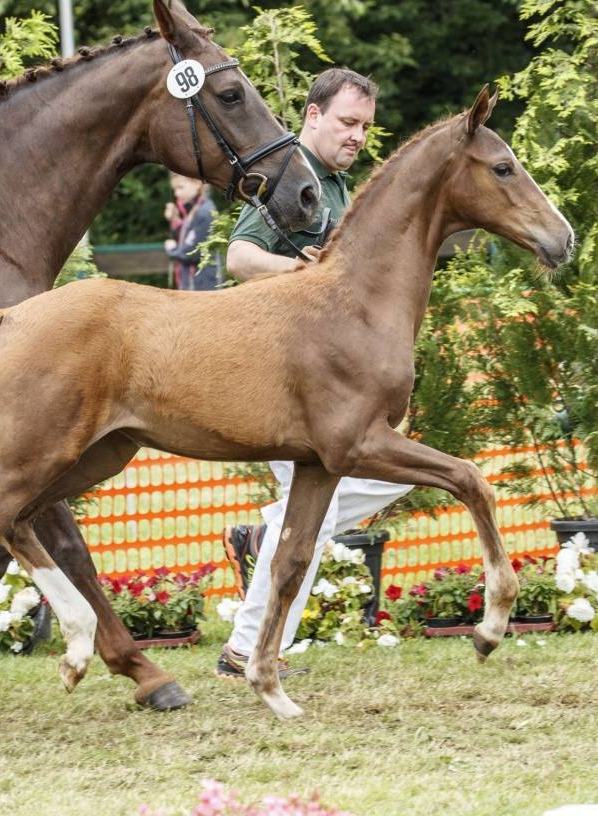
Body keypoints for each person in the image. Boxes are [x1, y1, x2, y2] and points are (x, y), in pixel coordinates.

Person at [216, 67, 417, 680]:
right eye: (347, 122)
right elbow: (237, 256)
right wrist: (296, 272)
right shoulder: (292, 177)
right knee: (317, 509)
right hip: (282, 372)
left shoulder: (337, 185)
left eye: (365, 127)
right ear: (312, 115)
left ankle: (264, 539)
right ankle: (246, 652)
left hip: (330, 377)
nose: (357, 136)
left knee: (397, 475)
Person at [163, 173, 221, 290]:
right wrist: (175, 220)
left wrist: (172, 249)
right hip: (196, 284)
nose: (176, 193)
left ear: (197, 184)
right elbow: (190, 238)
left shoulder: (204, 213)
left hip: (202, 287)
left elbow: (191, 253)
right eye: (175, 189)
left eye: (180, 187)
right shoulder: (197, 209)